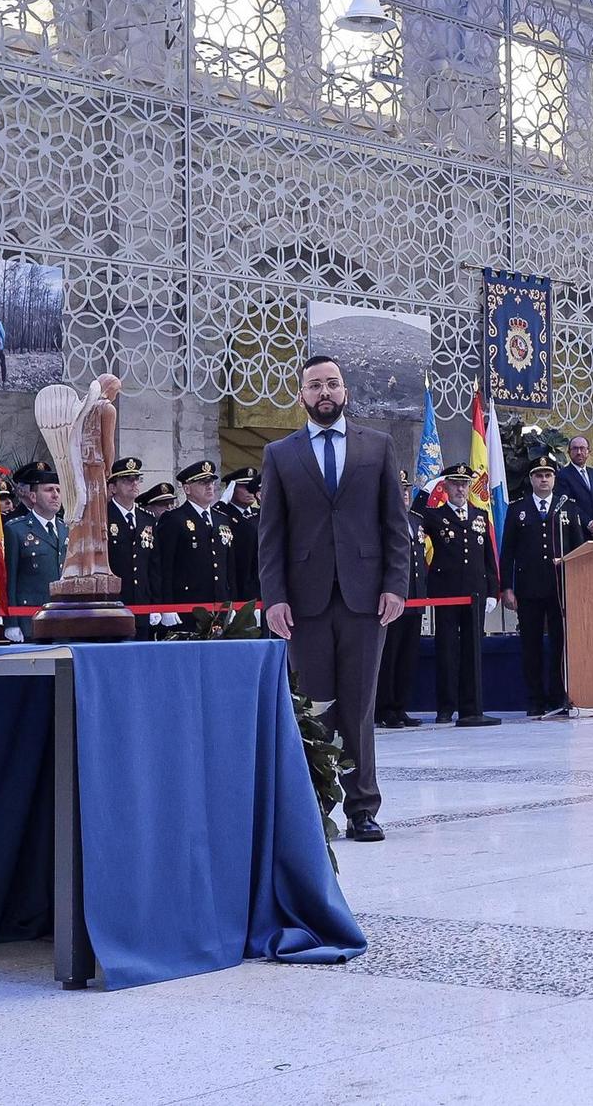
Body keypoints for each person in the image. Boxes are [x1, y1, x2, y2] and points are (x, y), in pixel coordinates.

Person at [257, 355, 411, 843]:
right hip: (305, 603)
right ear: (301, 395)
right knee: (315, 707)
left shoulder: (378, 447)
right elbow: (271, 536)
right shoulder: (281, 454)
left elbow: (395, 527)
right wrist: (274, 598)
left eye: (333, 384)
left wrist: (396, 585)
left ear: (345, 392)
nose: (325, 392)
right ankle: (317, 806)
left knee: (359, 705)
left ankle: (363, 808)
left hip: (367, 600)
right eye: (315, 385)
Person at [500, 451, 585, 719]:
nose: (544, 480)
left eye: (548, 475)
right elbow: (508, 552)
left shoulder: (568, 507)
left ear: (554, 478)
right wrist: (507, 588)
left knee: (560, 643)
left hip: (560, 588)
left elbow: (580, 546)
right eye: (539, 476)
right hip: (529, 587)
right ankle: (535, 698)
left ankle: (558, 695)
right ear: (531, 479)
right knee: (531, 645)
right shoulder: (518, 509)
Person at [422, 462, 500, 726]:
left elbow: (489, 557)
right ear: (445, 487)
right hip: (447, 593)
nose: (460, 489)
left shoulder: (480, 515)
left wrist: (492, 590)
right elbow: (413, 524)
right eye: (455, 484)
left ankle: (472, 707)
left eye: (464, 484)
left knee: (472, 650)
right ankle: (446, 707)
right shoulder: (434, 516)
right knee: (446, 650)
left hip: (475, 593)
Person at [376, 476, 428, 729]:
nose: (405, 494)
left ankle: (400, 706)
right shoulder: (381, 521)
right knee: (390, 655)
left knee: (408, 656)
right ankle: (385, 708)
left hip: (414, 597)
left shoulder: (415, 520)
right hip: (393, 597)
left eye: (407, 490)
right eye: (400, 490)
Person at [2, 467, 68, 640]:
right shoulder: (16, 529)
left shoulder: (67, 529)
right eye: (48, 490)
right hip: (31, 619)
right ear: (32, 496)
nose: (55, 495)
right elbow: (9, 579)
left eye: (58, 490)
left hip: (65, 619)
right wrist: (12, 622)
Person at [105, 456, 168, 635]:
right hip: (114, 603)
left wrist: (156, 604)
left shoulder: (146, 519)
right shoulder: (104, 517)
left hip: (142, 602)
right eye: (126, 480)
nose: (134, 484)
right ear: (112, 487)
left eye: (136, 479)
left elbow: (154, 566)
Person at [156, 461, 234, 606]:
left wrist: (233, 602)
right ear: (187, 489)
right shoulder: (174, 519)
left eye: (211, 482)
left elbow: (229, 566)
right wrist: (166, 606)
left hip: (220, 601)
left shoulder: (221, 518)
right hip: (188, 602)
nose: (209, 486)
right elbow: (165, 567)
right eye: (203, 482)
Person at [218, 467, 262, 601]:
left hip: (258, 583)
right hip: (236, 582)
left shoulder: (259, 513)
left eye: (252, 486)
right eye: (244, 487)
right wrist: (221, 504)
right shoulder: (223, 513)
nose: (250, 491)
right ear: (231, 489)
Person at [554, 435, 593, 539]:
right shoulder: (562, 475)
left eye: (582, 448)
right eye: (575, 448)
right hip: (578, 532)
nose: (579, 452)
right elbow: (567, 504)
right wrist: (589, 523)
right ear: (569, 452)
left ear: (589, 451)